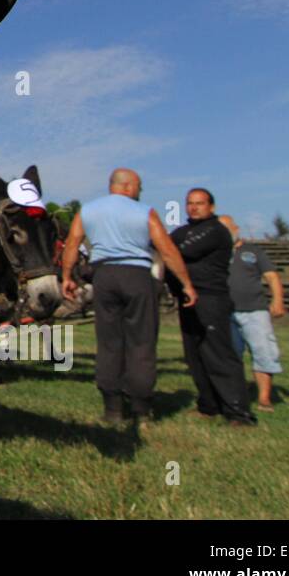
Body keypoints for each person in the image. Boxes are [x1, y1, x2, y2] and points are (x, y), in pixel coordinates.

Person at [61, 168, 197, 424]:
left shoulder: (87, 211)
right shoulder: (145, 212)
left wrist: (67, 276)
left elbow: (71, 243)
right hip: (137, 275)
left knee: (109, 341)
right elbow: (166, 249)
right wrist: (186, 284)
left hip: (104, 275)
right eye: (139, 186)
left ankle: (112, 408)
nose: (140, 191)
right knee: (142, 340)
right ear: (129, 186)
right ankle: (141, 406)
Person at [169, 189, 256, 425]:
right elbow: (164, 246)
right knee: (195, 355)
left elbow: (180, 250)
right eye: (190, 203)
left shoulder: (216, 231)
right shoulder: (182, 231)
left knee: (218, 355)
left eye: (199, 203)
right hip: (187, 300)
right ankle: (209, 405)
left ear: (212, 207)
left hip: (210, 298)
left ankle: (239, 412)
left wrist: (164, 249)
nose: (194, 207)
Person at [222, 218, 285, 411]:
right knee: (230, 356)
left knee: (263, 352)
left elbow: (271, 276)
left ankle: (264, 398)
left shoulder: (253, 251)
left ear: (236, 228)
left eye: (227, 228)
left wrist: (277, 300)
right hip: (225, 311)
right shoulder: (217, 253)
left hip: (255, 310)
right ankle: (234, 397)